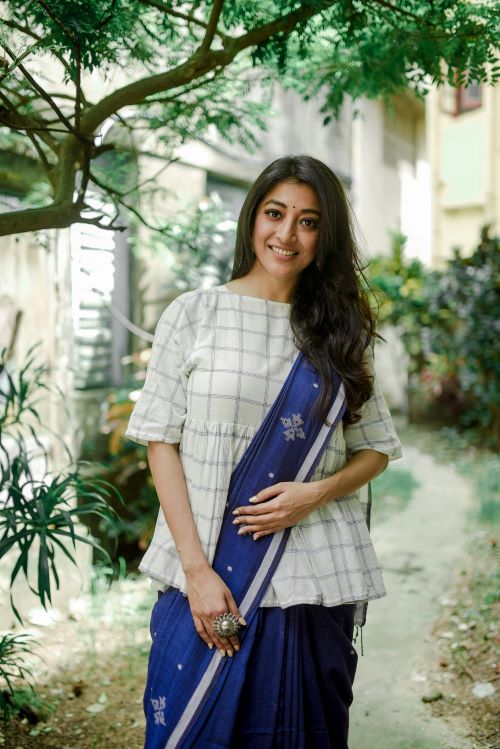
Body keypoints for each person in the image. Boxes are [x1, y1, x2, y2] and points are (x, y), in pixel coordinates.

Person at [125, 154, 402, 749]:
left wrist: (314, 493)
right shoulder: (195, 314)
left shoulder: (339, 332)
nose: (287, 234)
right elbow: (160, 441)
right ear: (252, 217)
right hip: (208, 570)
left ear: (325, 236)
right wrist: (197, 572)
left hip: (313, 577)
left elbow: (376, 449)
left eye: (308, 221)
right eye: (275, 213)